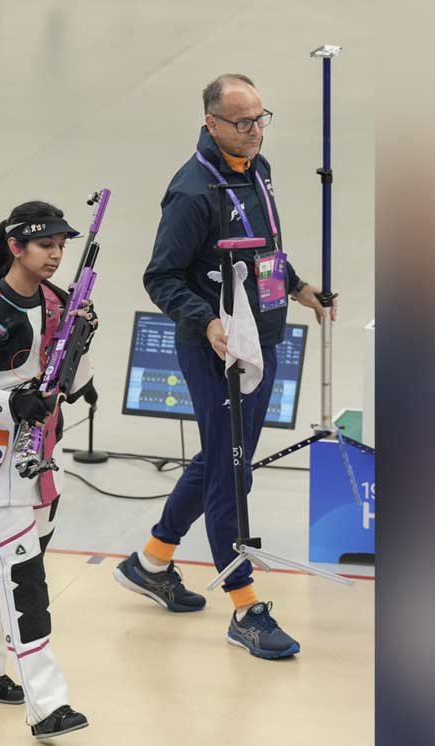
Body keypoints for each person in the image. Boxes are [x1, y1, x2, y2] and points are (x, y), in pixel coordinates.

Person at [113, 74, 337, 658]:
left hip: (261, 338)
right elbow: (160, 277)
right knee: (231, 475)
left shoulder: (257, 168)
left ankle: (152, 560)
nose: (256, 130)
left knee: (222, 459)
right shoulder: (192, 192)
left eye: (262, 118)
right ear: (211, 123)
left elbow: (263, 251)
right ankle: (245, 608)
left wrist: (296, 287)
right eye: (243, 122)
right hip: (217, 350)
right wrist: (208, 322)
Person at [0, 201, 98, 740]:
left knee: (6, 570)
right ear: (16, 247)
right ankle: (48, 705)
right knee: (24, 580)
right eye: (44, 245)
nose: (55, 255)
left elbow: (65, 366)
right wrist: (12, 405)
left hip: (42, 459)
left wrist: (81, 368)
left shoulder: (58, 301)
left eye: (60, 246)